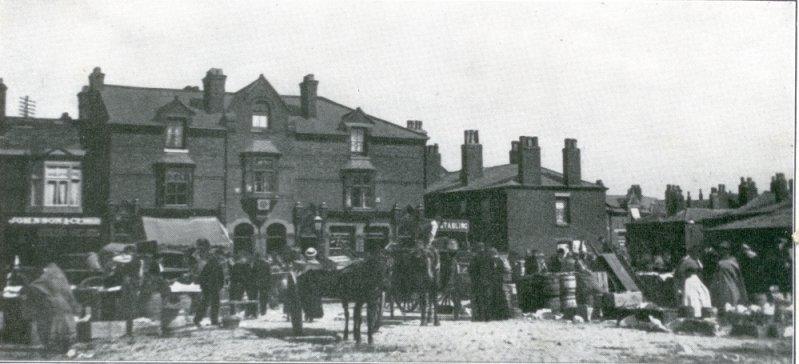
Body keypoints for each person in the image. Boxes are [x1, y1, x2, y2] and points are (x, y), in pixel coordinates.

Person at [193, 239, 224, 327]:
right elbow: (202, 272)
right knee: (208, 302)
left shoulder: (211, 258)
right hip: (210, 284)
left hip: (212, 283)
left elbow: (219, 272)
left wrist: (220, 283)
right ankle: (200, 319)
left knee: (211, 302)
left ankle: (209, 320)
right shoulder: (206, 258)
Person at [709, 241, 748, 308]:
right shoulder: (720, 262)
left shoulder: (732, 261)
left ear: (728, 250)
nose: (721, 251)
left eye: (724, 249)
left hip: (732, 288)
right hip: (722, 288)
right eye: (720, 249)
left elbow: (738, 277)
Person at [486, 248, 511, 320]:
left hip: (492, 281)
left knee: (493, 297)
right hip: (500, 281)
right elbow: (505, 269)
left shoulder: (490, 260)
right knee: (501, 297)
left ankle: (494, 315)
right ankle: (503, 315)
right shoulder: (500, 260)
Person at [468, 242, 488, 321]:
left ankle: (476, 317)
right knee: (484, 299)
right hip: (486, 281)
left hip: (476, 281)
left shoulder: (474, 258)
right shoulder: (487, 257)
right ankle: (484, 316)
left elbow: (471, 269)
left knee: (476, 299)